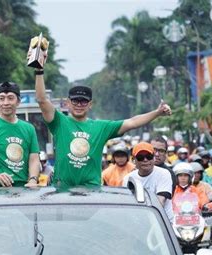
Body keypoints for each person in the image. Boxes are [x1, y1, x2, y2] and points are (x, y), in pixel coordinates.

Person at [34, 69, 171, 187]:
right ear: (68, 103)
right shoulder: (59, 121)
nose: (79, 104)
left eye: (84, 101)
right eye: (75, 101)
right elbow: (41, 99)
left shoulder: (101, 127)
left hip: (91, 191)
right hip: (61, 190)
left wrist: (157, 112)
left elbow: (132, 122)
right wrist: (39, 70)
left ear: (90, 104)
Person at [122, 142, 174, 222]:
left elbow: (160, 201)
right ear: (133, 160)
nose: (145, 160)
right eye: (140, 157)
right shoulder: (128, 178)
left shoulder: (164, 173)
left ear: (153, 158)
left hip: (163, 223)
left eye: (149, 156)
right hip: (139, 223)